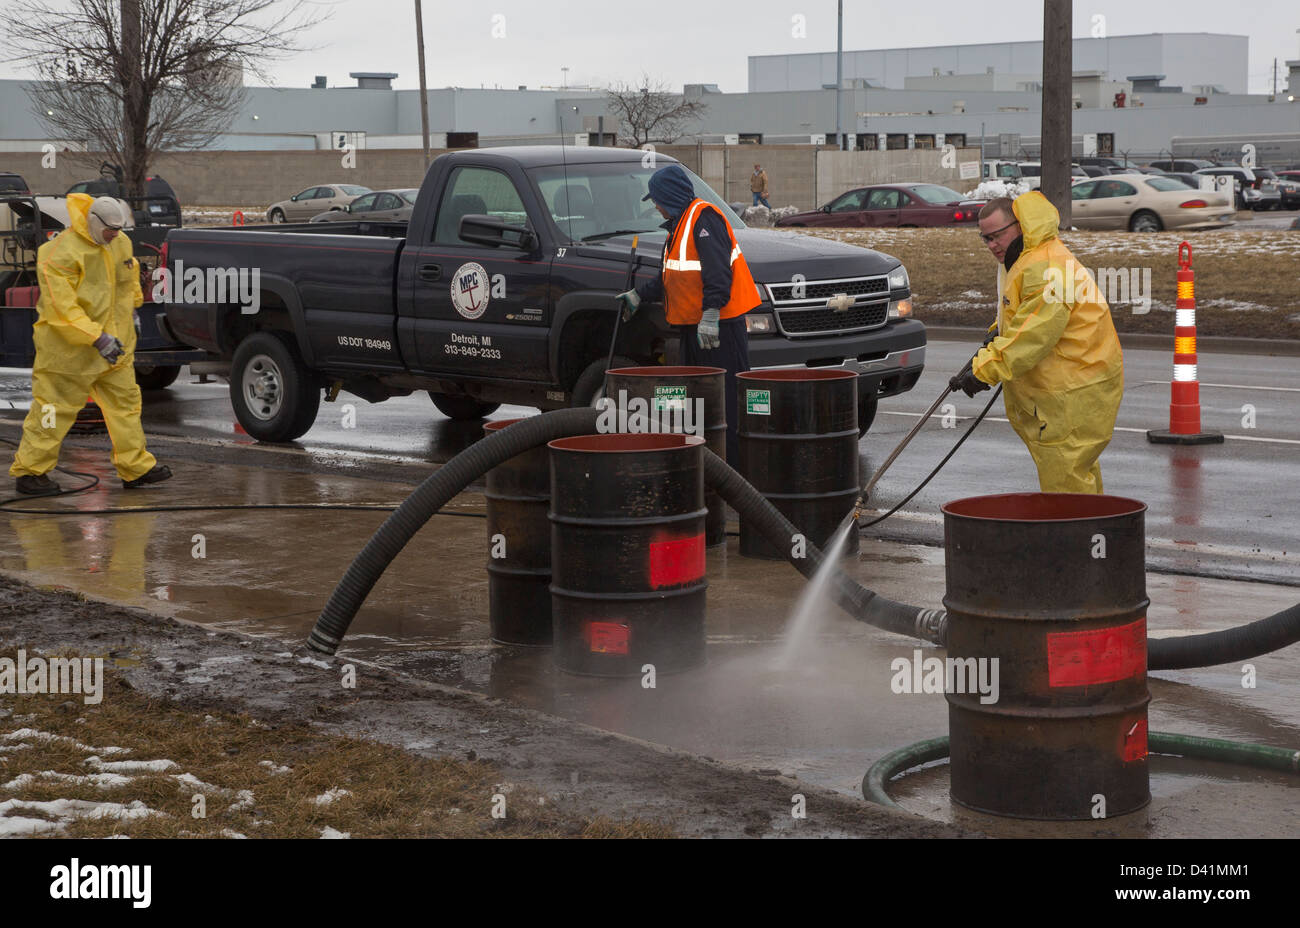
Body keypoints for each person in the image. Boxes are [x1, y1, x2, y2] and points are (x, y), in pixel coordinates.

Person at [950, 192, 1123, 493]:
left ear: (1020, 225)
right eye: (985, 239)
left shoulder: (1046, 267)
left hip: (1073, 389)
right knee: (1076, 472)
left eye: (997, 236)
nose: (992, 245)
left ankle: (1073, 537)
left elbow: (1033, 335)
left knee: (1065, 478)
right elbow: (1024, 314)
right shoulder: (1028, 258)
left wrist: (984, 371)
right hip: (1069, 386)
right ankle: (1093, 534)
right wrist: (998, 330)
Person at [9, 194, 172, 495]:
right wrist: (96, 337)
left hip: (115, 348)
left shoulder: (119, 243)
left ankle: (135, 468)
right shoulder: (58, 253)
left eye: (119, 229)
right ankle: (31, 473)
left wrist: (133, 309)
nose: (115, 235)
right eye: (110, 229)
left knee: (125, 407)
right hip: (68, 352)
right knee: (53, 410)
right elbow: (62, 309)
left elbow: (127, 279)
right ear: (93, 223)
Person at [616, 164, 761, 462]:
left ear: (668, 196)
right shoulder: (680, 225)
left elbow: (719, 272)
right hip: (695, 329)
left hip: (720, 328)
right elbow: (673, 277)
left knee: (724, 402)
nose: (655, 206)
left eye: (656, 199)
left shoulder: (704, 219)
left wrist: (711, 313)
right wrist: (639, 294)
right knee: (699, 402)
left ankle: (732, 467)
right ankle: (707, 464)